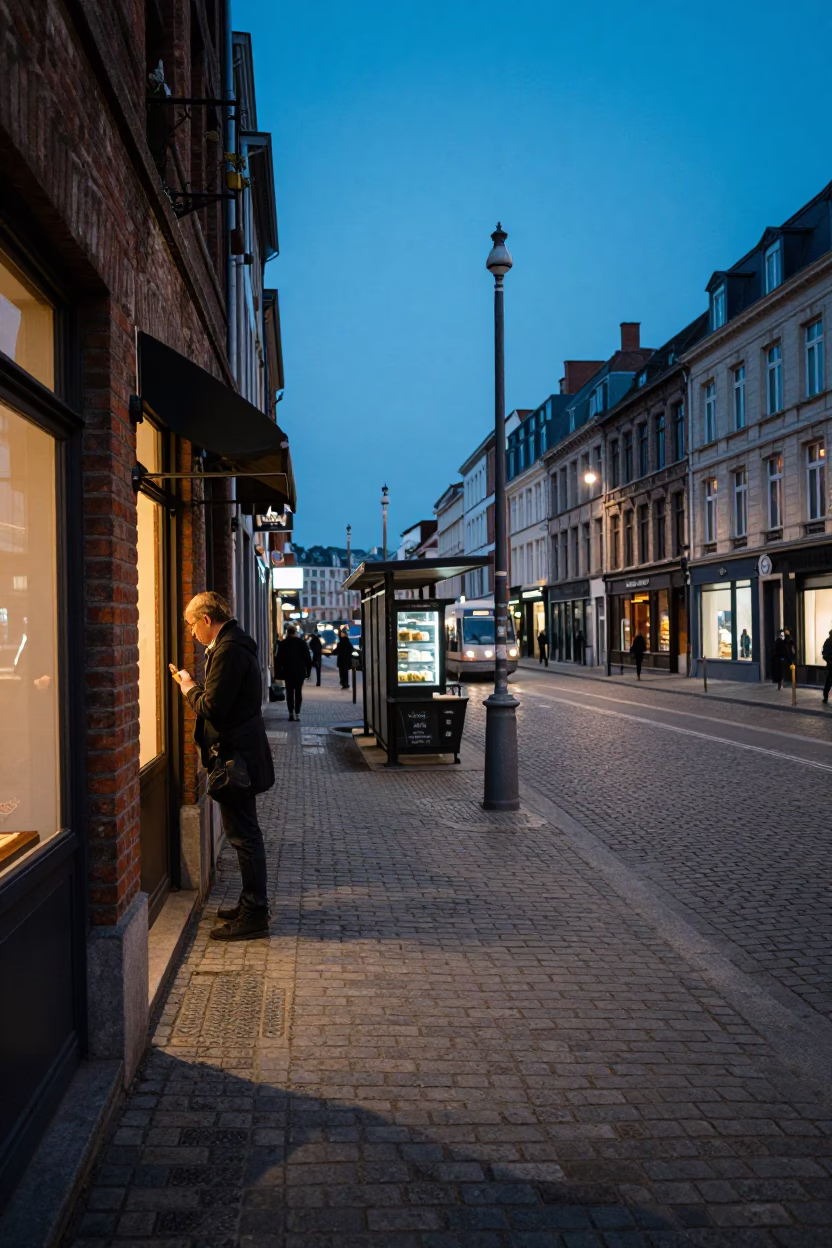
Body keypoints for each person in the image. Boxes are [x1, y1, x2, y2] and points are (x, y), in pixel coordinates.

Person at [170, 591, 274, 942]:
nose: (191, 634)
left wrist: (188, 687)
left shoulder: (228, 650)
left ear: (206, 621)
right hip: (240, 754)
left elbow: (213, 707)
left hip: (236, 758)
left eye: (191, 626)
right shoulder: (233, 644)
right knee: (244, 834)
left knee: (244, 837)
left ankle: (255, 914)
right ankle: (250, 905)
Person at [277, 624, 312, 720]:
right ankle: (297, 713)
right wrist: (308, 671)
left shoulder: (283, 644)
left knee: (289, 693)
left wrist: (278, 673)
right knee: (298, 692)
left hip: (288, 672)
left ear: (287, 632)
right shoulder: (302, 643)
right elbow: (308, 659)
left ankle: (291, 713)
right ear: (296, 632)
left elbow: (278, 660)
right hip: (300, 672)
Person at [822, 627, 832, 704]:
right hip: (830, 665)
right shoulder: (828, 642)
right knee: (828, 681)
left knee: (828, 682)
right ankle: (825, 696)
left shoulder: (827, 641)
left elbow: (824, 654)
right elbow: (825, 654)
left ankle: (825, 696)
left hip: (830, 664)